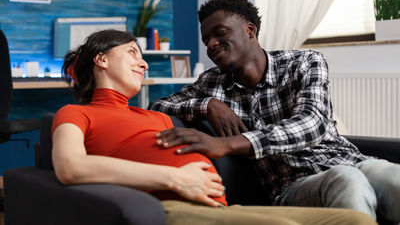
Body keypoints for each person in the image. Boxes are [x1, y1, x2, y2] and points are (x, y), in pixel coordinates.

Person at [51, 29, 375, 225]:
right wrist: (176, 177)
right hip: (170, 206)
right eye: (132, 53)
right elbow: (70, 167)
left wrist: (207, 106)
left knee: (353, 219)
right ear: (101, 59)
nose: (144, 62)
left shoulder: (155, 116)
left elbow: (167, 104)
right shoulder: (74, 114)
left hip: (221, 207)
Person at [148, 0, 400, 223]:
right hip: (292, 185)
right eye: (206, 40)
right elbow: (157, 105)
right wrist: (208, 104)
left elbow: (312, 122)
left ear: (250, 30)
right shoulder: (211, 83)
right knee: (347, 180)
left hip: (349, 160)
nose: (211, 44)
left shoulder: (304, 62)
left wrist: (228, 143)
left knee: (389, 174)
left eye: (220, 33)